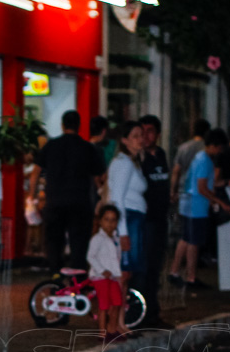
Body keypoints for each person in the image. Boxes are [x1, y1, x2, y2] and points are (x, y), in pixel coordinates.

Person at [32, 110, 105, 273]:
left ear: (62, 125)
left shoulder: (51, 146)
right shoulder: (87, 148)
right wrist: (101, 196)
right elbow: (99, 175)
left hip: (55, 203)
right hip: (80, 204)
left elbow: (36, 172)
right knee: (78, 245)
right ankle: (77, 283)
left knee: (54, 244)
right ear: (79, 126)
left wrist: (32, 197)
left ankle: (56, 281)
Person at [168, 128, 230, 288]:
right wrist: (219, 202)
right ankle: (190, 276)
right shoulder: (205, 161)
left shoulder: (200, 157)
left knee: (186, 239)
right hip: (196, 206)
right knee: (193, 242)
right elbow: (202, 187)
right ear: (215, 146)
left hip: (189, 203)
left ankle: (175, 272)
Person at [107, 121, 147, 321]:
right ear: (124, 140)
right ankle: (115, 323)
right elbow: (118, 199)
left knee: (125, 275)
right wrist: (122, 231)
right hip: (128, 220)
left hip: (133, 219)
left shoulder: (131, 162)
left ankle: (120, 322)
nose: (141, 139)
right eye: (136, 136)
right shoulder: (123, 163)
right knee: (122, 274)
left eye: (141, 135)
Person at [138, 115, 171, 328]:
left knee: (156, 267)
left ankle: (153, 313)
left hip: (160, 218)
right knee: (145, 267)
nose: (146, 136)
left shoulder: (160, 155)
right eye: (143, 131)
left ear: (158, 134)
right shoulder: (138, 158)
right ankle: (142, 314)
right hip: (145, 220)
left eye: (150, 131)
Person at [86, 204, 123, 339]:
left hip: (112, 276)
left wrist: (117, 273)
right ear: (100, 221)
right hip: (100, 276)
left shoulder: (115, 239)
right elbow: (91, 256)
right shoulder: (97, 239)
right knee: (104, 304)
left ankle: (112, 329)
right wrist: (102, 270)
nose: (110, 223)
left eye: (113, 220)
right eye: (106, 219)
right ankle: (102, 333)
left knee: (117, 302)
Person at [170, 119, 210, 205]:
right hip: (201, 191)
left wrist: (173, 191)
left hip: (184, 189)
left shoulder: (183, 147)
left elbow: (176, 171)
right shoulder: (207, 149)